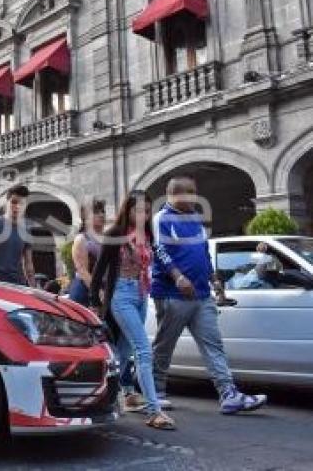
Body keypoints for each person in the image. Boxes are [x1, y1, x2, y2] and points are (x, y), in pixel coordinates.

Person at [151, 175, 267, 414]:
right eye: (190, 193)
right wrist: (177, 277)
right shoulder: (161, 218)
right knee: (165, 345)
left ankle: (228, 394)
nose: (195, 197)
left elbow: (203, 251)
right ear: (175, 195)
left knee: (213, 344)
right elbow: (159, 250)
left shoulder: (195, 218)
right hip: (173, 294)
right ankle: (155, 392)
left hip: (202, 294)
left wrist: (214, 279)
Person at [91, 190, 175, 430]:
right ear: (127, 210)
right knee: (144, 350)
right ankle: (153, 410)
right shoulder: (115, 234)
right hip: (122, 295)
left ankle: (105, 395)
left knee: (122, 352)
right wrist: (95, 303)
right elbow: (99, 272)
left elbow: (151, 265)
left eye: (146, 211)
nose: (142, 215)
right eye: (137, 210)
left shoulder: (147, 234)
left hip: (141, 293)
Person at [0, 185, 36, 286]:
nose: (17, 207)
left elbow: (28, 263)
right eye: (14, 202)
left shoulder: (27, 229)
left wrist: (33, 286)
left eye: (21, 203)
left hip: (19, 284)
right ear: (6, 203)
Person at [68, 199, 105, 306]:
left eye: (103, 211)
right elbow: (82, 271)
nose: (101, 215)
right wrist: (97, 291)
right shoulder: (81, 239)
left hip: (103, 290)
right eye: (96, 212)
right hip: (83, 291)